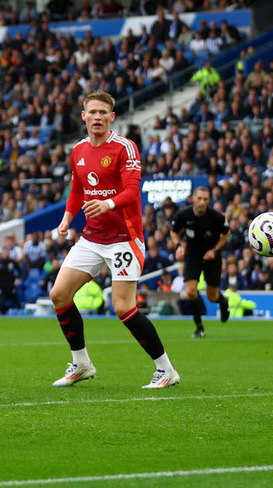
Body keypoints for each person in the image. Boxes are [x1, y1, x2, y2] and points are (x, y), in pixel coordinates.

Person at [49, 90, 179, 389]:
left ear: (112, 117)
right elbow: (77, 190)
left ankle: (166, 370)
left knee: (123, 307)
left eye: (102, 113)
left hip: (124, 237)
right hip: (93, 237)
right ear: (83, 116)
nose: (97, 117)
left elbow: (133, 191)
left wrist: (107, 204)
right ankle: (81, 364)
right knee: (59, 295)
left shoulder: (125, 148)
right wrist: (68, 217)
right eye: (91, 112)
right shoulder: (78, 150)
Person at [170, 186, 230, 338]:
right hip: (192, 256)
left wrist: (215, 250)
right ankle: (199, 328)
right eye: (199, 198)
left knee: (212, 296)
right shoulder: (183, 214)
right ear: (193, 199)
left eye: (205, 199)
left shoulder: (217, 216)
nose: (202, 202)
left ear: (209, 200)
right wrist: (178, 246)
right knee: (190, 292)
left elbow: (225, 235)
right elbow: (174, 231)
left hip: (212, 257)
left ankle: (223, 302)